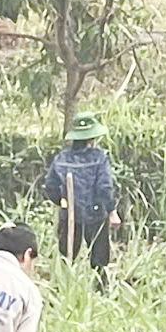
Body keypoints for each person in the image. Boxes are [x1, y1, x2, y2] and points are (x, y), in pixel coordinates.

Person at [39, 114, 122, 285]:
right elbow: (104, 188)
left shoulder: (62, 158)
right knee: (99, 260)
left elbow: (50, 187)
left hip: (69, 215)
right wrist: (112, 212)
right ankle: (101, 292)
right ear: (91, 139)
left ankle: (61, 289)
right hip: (96, 215)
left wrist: (63, 203)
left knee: (66, 257)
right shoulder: (99, 158)